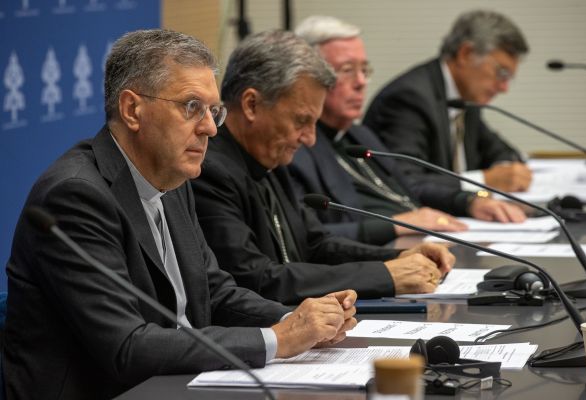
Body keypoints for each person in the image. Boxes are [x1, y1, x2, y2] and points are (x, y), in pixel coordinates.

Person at [2, 29, 358, 400]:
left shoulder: (172, 178)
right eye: (191, 107)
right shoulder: (75, 196)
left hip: (179, 385)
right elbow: (127, 347)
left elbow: (214, 292)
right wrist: (278, 339)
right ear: (132, 109)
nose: (208, 128)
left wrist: (298, 319)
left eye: (213, 111)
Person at [190, 29, 455, 306]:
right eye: (301, 121)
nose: (310, 138)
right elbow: (255, 279)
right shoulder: (210, 171)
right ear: (252, 104)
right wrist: (383, 275)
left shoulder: (269, 156)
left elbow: (316, 244)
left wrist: (399, 258)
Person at [290, 16, 526, 246]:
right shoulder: (294, 150)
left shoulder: (359, 135)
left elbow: (408, 187)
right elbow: (307, 236)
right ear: (309, 79)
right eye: (347, 70)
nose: (361, 82)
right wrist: (395, 224)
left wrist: (470, 202)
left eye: (365, 69)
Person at [364, 10, 533, 193]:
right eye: (501, 73)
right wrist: (484, 180)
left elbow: (500, 151)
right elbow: (406, 180)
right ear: (466, 54)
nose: (504, 88)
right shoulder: (409, 98)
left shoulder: (465, 98)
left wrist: (509, 171)